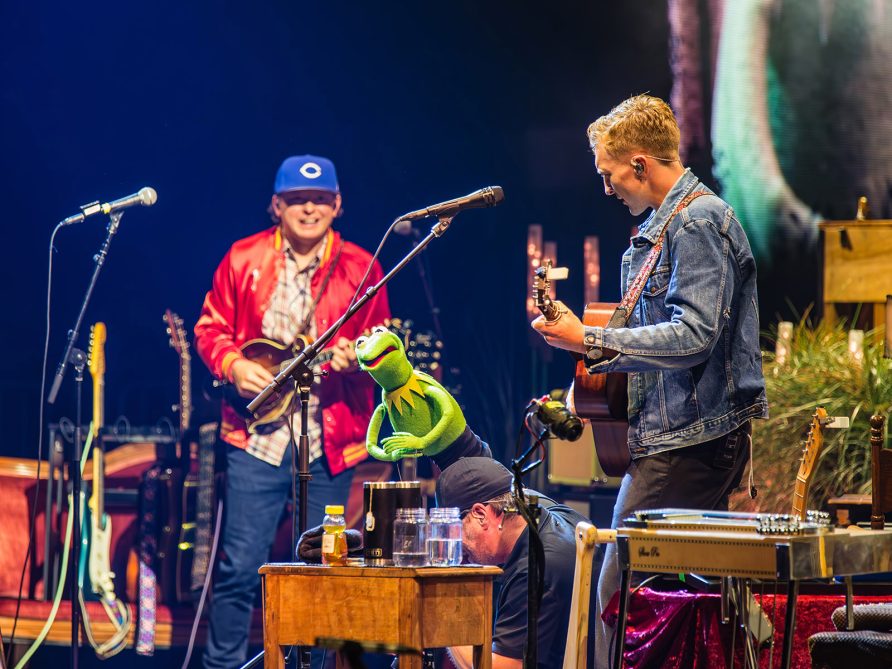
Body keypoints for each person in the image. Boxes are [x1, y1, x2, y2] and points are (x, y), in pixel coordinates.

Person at [531, 94, 768, 668]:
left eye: (609, 174)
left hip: (690, 441)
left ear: (639, 163)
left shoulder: (697, 222)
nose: (606, 188)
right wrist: (581, 332)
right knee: (688, 593)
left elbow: (692, 337)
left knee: (617, 596)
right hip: (676, 439)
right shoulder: (667, 228)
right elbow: (655, 333)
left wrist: (589, 341)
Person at [194, 154, 391, 669]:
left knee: (320, 573)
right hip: (256, 438)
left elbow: (385, 345)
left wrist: (361, 358)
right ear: (276, 205)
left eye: (321, 199)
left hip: (328, 442)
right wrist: (234, 365)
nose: (310, 208)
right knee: (240, 570)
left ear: (338, 205)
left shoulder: (362, 267)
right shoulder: (243, 258)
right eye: (298, 200)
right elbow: (209, 328)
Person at [435, 456, 593, 669]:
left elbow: (499, 667)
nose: (457, 548)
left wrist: (441, 611)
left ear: (481, 514)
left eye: (453, 530)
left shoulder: (533, 569)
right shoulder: (554, 513)